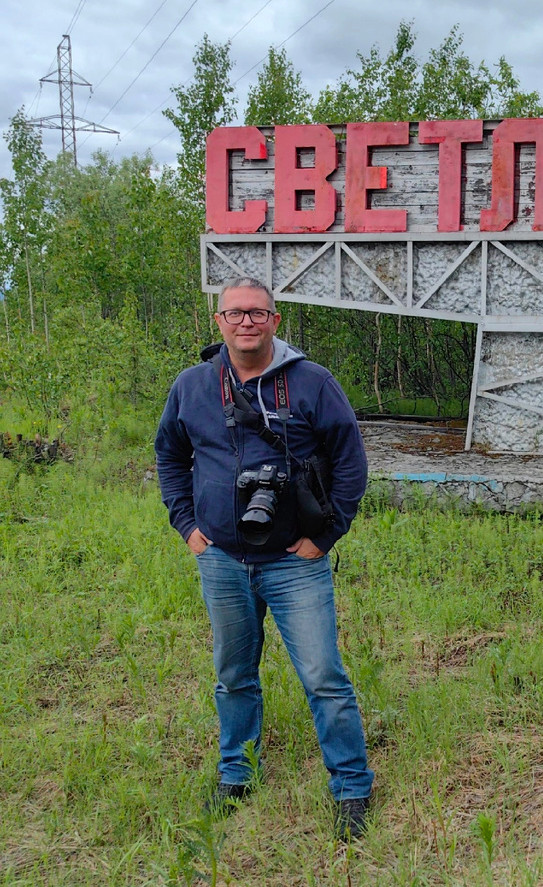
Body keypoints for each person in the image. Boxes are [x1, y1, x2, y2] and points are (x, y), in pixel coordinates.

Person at [155, 276, 374, 840]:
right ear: (218, 321)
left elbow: (350, 462)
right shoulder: (193, 386)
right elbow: (170, 456)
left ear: (276, 320)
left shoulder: (311, 383)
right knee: (232, 675)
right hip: (222, 558)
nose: (245, 321)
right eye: (235, 313)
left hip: (294, 561)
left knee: (323, 675)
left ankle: (351, 786)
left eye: (257, 312)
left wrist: (326, 537)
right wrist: (188, 526)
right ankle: (237, 774)